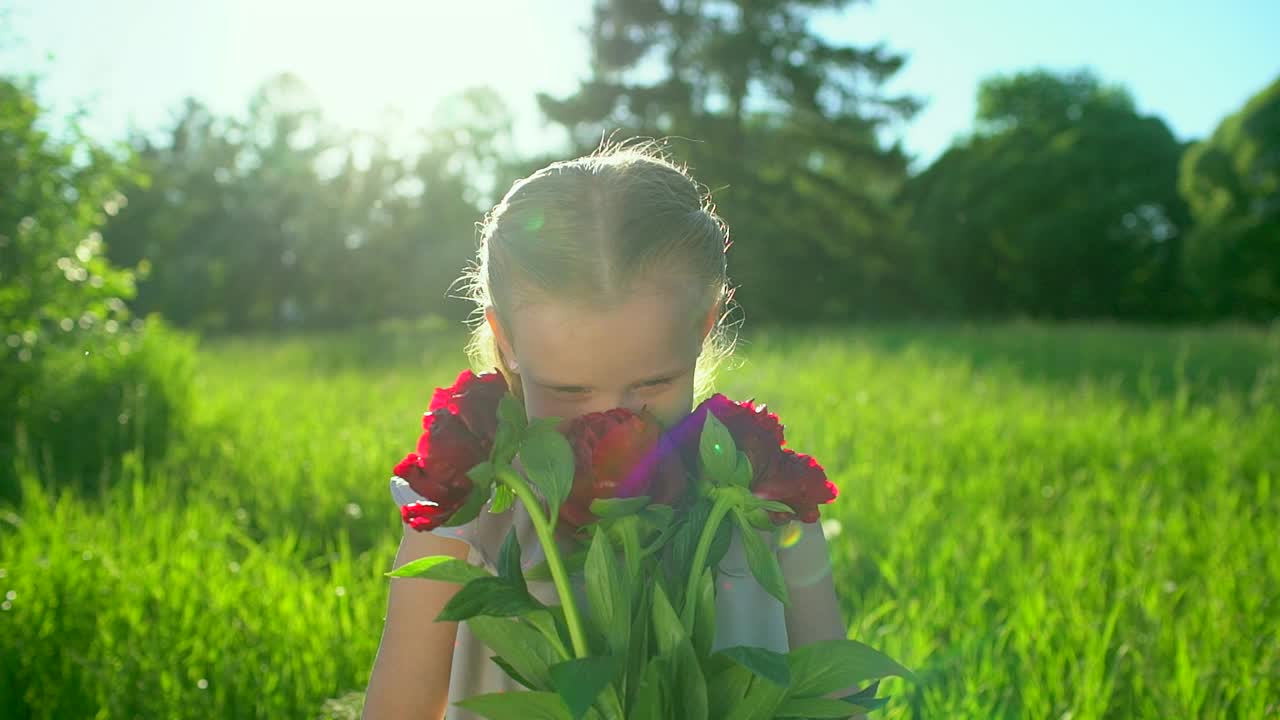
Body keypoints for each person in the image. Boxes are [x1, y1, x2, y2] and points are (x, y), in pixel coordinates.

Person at [362, 138, 857, 720]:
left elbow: (836, 701)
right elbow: (399, 710)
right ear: (507, 342)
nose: (614, 421)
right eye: (569, 391)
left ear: (703, 326)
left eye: (652, 384)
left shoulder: (764, 497)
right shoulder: (465, 519)